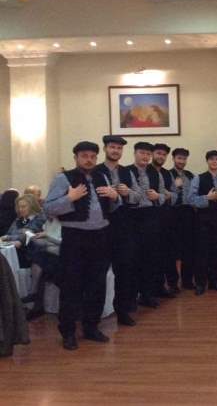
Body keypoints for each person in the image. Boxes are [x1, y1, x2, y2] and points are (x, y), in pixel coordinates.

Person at [44, 141, 120, 350]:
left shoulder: (102, 176)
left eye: (93, 156)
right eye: (84, 156)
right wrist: (69, 198)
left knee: (97, 284)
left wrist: (115, 198)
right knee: (71, 286)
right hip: (75, 238)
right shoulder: (63, 178)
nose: (89, 160)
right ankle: (68, 332)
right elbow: (48, 208)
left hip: (101, 236)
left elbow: (113, 208)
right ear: (76, 157)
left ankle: (91, 327)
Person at [95, 135, 140, 327]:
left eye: (119, 148)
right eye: (112, 147)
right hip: (101, 228)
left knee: (124, 271)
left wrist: (128, 193)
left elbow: (138, 196)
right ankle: (95, 316)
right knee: (98, 273)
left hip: (124, 228)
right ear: (105, 149)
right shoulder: (95, 171)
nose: (116, 151)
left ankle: (123, 311)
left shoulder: (127, 171)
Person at [188, 150, 217, 295]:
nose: (214, 162)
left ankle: (215, 280)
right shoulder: (198, 178)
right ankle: (200, 283)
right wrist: (206, 198)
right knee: (202, 251)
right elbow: (190, 199)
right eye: (211, 159)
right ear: (207, 161)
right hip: (202, 219)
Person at [127, 142, 167, 309]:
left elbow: (164, 195)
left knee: (150, 258)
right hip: (132, 218)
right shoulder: (126, 171)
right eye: (141, 153)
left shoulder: (155, 173)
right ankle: (131, 297)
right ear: (135, 153)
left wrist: (158, 196)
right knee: (132, 259)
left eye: (147, 154)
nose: (145, 157)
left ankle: (147, 294)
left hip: (151, 217)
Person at [0, 194, 47, 320]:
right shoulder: (19, 219)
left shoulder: (39, 218)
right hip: (18, 248)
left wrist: (9, 237)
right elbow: (10, 233)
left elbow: (27, 234)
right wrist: (10, 237)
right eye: (19, 207)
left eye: (23, 206)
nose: (20, 209)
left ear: (31, 206)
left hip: (31, 252)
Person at [152, 143, 178, 298]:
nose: (161, 157)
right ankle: (155, 287)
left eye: (163, 154)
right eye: (158, 153)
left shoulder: (168, 174)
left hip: (166, 218)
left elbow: (175, 194)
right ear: (152, 154)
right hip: (149, 218)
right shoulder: (145, 171)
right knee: (154, 255)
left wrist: (169, 196)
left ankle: (171, 284)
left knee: (168, 253)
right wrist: (164, 196)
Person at [169, 148, 196, 290]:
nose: (181, 161)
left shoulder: (190, 175)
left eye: (184, 159)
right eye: (179, 158)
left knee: (188, 247)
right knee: (174, 248)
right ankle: (173, 282)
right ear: (173, 159)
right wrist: (176, 187)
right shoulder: (167, 174)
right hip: (174, 213)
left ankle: (187, 281)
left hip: (189, 213)